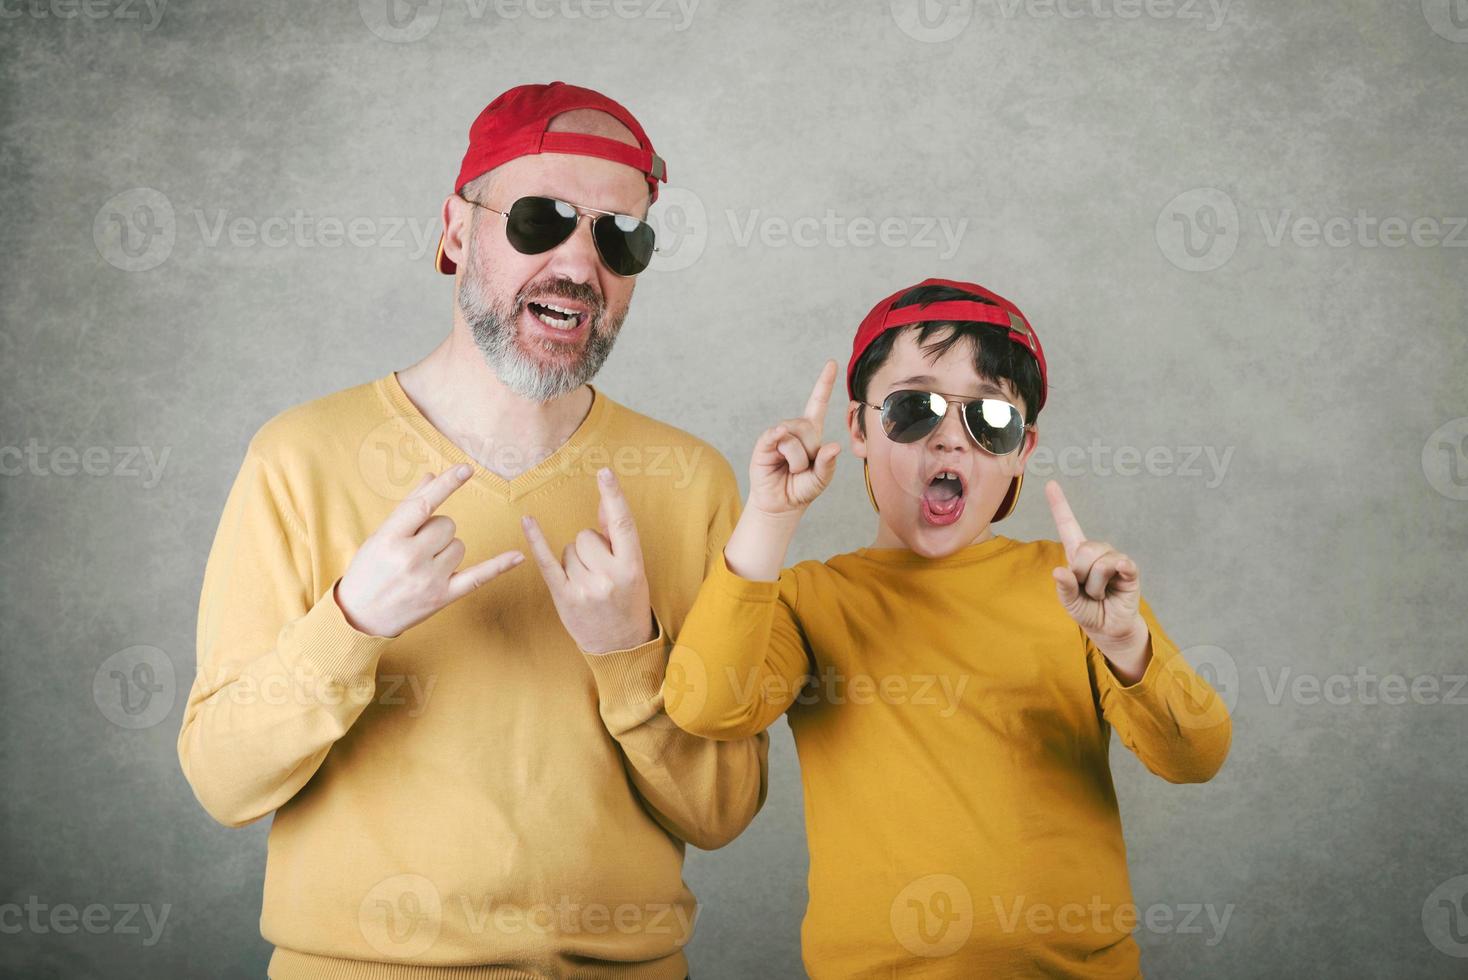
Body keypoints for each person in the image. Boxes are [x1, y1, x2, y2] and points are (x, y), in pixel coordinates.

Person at [178, 81, 768, 980]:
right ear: (456, 232)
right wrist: (351, 624)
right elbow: (223, 782)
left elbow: (722, 812)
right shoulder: (298, 457)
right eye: (541, 220)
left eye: (620, 236)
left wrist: (629, 655)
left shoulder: (691, 483)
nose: (581, 264)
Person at [663, 277, 1232, 977]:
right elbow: (705, 703)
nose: (951, 441)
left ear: (1021, 450)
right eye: (913, 409)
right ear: (861, 428)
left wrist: (1125, 644)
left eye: (990, 420)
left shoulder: (1078, 591)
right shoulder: (812, 600)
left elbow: (1196, 756)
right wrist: (771, 517)